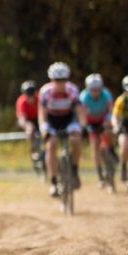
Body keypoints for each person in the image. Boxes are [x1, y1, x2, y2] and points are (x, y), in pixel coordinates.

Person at [38, 62, 86, 196]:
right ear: (51, 80)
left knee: (76, 140)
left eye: (63, 80)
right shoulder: (45, 92)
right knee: (51, 145)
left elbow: (80, 110)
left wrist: (83, 126)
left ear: (67, 79)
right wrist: (44, 129)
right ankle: (53, 182)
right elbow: (41, 114)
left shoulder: (72, 90)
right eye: (57, 80)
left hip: (68, 119)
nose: (60, 83)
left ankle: (75, 170)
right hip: (52, 121)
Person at [79, 73, 117, 186]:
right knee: (95, 146)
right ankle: (100, 174)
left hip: (104, 119)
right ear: (88, 88)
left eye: (97, 89)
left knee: (109, 131)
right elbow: (81, 113)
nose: (95, 92)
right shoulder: (83, 97)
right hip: (91, 122)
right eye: (92, 90)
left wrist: (107, 120)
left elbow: (111, 110)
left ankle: (111, 149)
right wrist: (84, 126)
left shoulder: (106, 94)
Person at [16, 80, 41, 165]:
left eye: (32, 92)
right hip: (26, 119)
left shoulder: (39, 98)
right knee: (30, 129)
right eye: (28, 93)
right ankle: (34, 150)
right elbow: (22, 117)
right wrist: (27, 126)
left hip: (38, 118)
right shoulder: (22, 101)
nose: (31, 95)